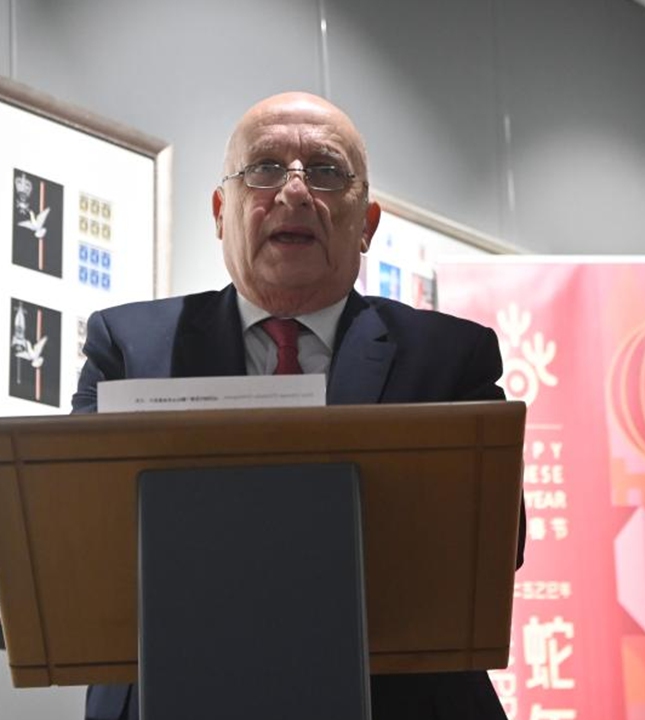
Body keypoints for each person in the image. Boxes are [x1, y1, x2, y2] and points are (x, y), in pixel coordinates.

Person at [74, 91, 525, 720]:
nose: (292, 192)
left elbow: (495, 544)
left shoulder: (447, 358)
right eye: (263, 169)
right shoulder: (129, 345)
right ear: (220, 211)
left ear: (366, 223)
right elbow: (79, 535)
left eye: (325, 171)